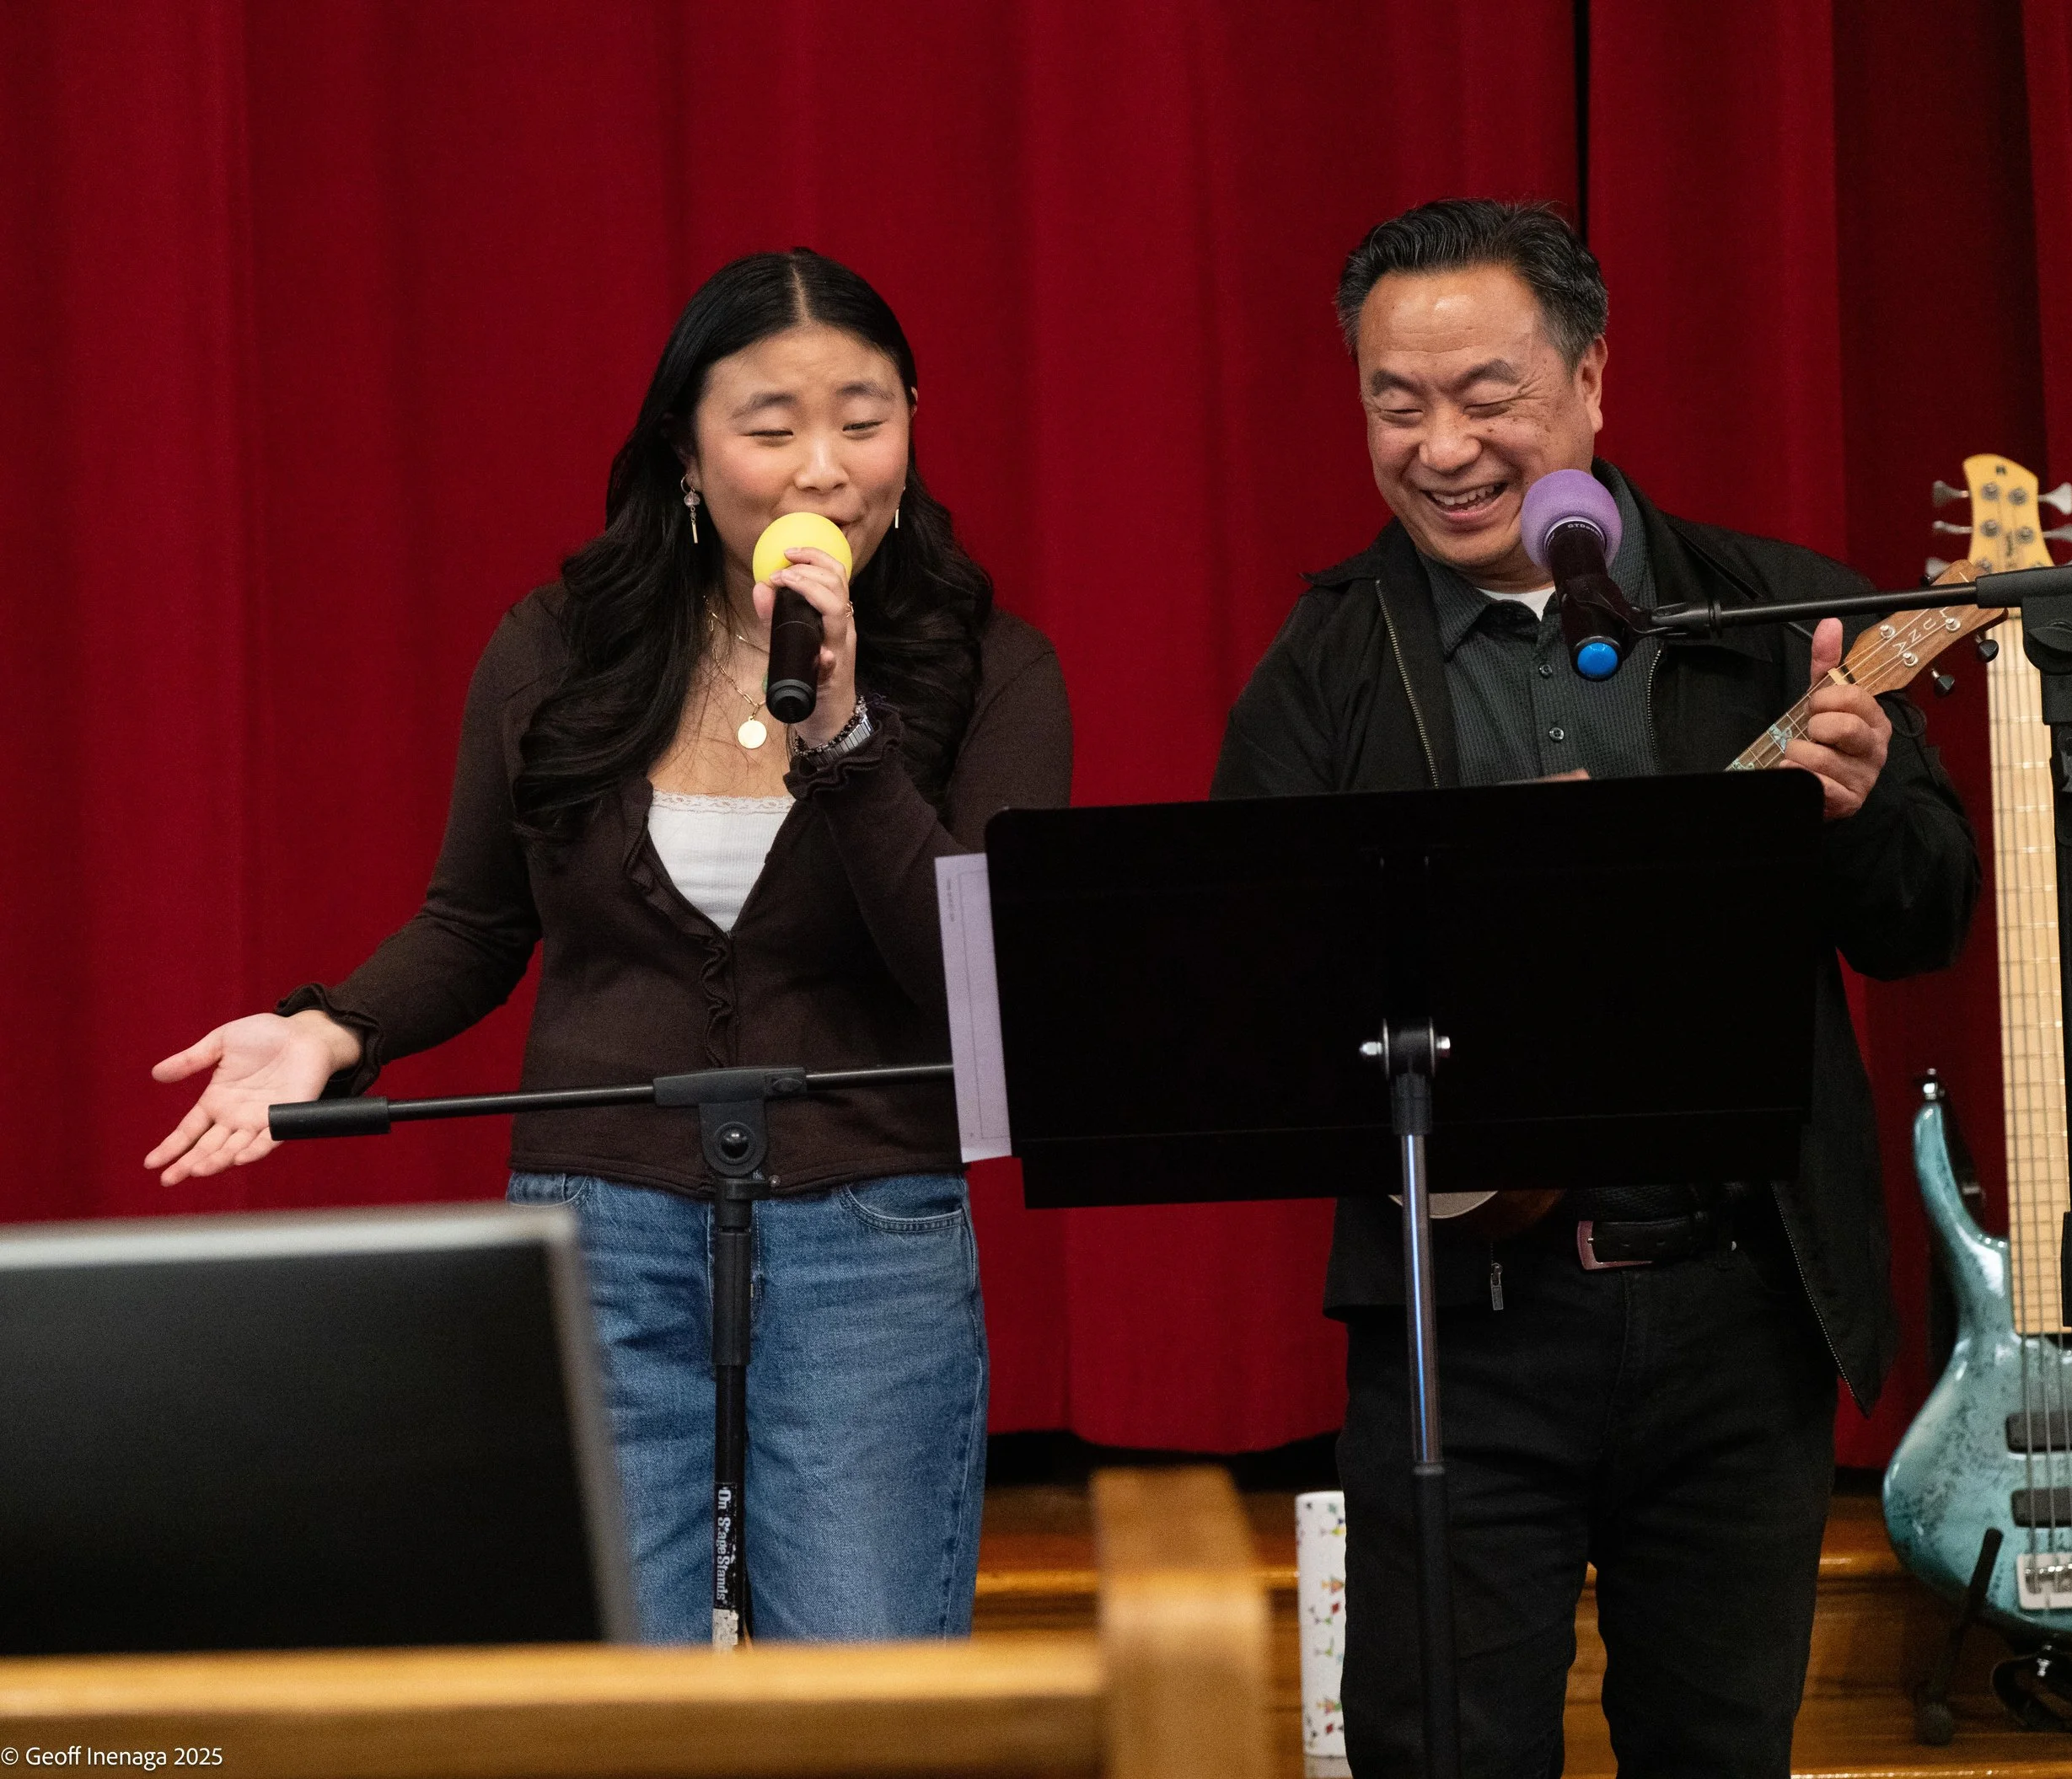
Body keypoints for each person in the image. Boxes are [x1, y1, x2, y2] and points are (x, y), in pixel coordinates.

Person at [146, 248, 1073, 1644]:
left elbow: (978, 972)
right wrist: (333, 1028)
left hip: (868, 1235)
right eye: (770, 428)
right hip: (603, 1224)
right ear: (688, 458)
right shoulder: (561, 647)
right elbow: (473, 918)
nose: (824, 467)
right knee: (613, 1683)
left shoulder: (993, 665)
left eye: (865, 420)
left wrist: (848, 742)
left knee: (862, 1688)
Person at [1212, 200, 1977, 1776]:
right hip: (1463, 1336)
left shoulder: (1775, 619)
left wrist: (1859, 808)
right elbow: (1252, 1013)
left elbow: (1924, 920)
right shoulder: (1323, 671)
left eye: (1487, 395)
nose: (1442, 447)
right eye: (1395, 401)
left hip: (1735, 1311)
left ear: (1591, 380)